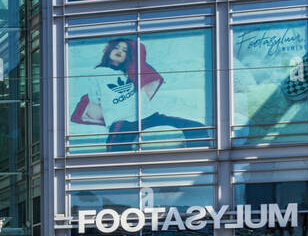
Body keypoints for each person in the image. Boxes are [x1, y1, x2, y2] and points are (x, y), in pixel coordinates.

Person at [70, 37, 209, 152]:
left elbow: (141, 58)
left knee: (196, 128)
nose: (120, 51)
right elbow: (94, 100)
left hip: (149, 116)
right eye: (117, 47)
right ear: (108, 50)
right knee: (116, 150)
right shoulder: (97, 73)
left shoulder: (132, 71)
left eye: (124, 50)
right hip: (122, 122)